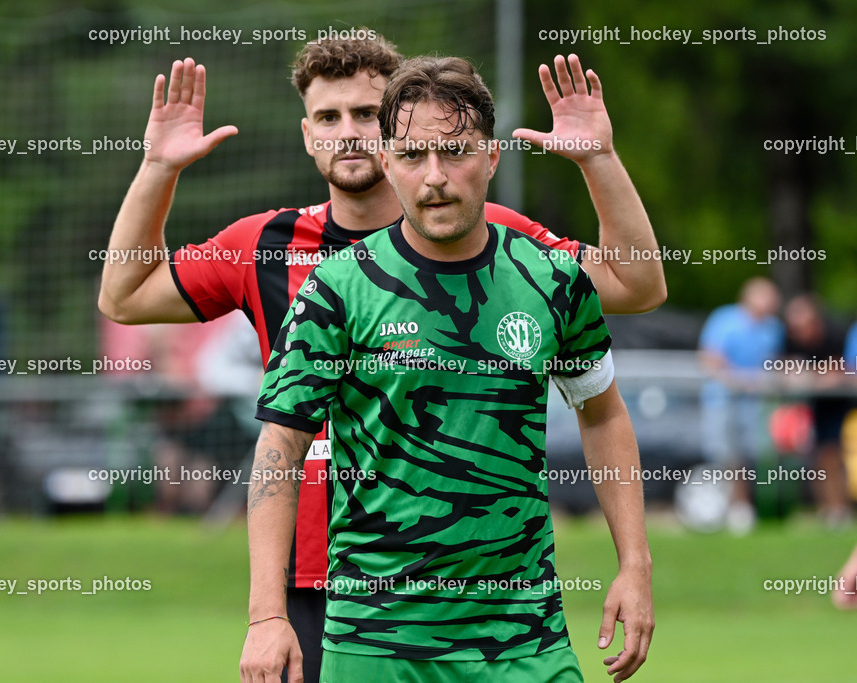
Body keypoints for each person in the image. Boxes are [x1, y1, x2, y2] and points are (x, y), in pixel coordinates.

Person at [98, 34, 664, 681]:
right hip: (329, 586)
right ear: (308, 135)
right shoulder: (270, 246)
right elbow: (125, 295)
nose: (349, 133)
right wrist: (158, 168)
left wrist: (599, 160)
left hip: (499, 603)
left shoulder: (492, 235)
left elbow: (634, 286)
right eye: (328, 117)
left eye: (366, 114)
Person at [697, 277, 784, 533]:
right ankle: (730, 508)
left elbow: (774, 362)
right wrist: (740, 381)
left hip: (756, 404)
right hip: (723, 400)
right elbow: (711, 358)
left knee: (750, 455)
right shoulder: (724, 319)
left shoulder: (774, 328)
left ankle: (747, 507)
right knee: (724, 455)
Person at [782, 294, 853, 526]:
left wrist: (807, 376)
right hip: (808, 405)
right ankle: (826, 508)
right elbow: (786, 367)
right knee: (817, 458)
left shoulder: (834, 334)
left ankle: (839, 508)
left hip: (838, 405)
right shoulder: (791, 338)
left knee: (832, 455)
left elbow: (836, 372)